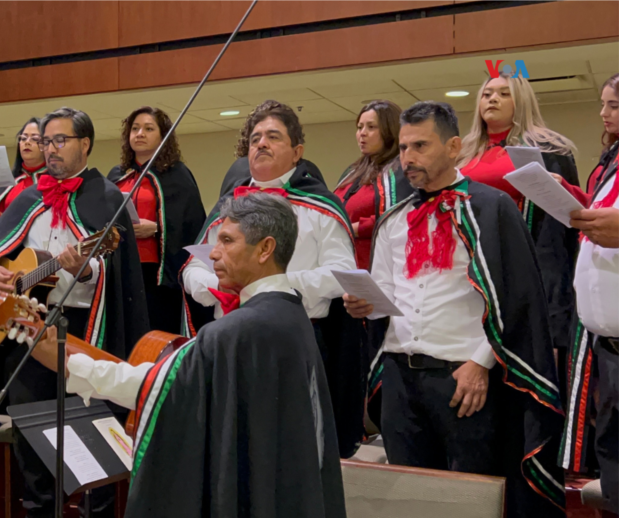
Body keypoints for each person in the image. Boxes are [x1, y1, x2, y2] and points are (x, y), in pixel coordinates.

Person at [30, 193, 349, 518]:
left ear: (266, 248)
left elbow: (154, 387)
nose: (212, 254)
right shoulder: (289, 313)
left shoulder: (239, 331)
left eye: (227, 241)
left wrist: (67, 362)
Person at [344, 101, 566, 518]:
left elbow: (517, 297)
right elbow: (387, 292)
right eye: (404, 147)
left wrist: (481, 363)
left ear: (452, 146)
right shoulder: (393, 219)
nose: (407, 157)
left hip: (463, 377)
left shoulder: (492, 207)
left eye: (420, 146)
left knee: (467, 502)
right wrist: (366, 304)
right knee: (407, 500)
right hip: (400, 375)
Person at [0, 107, 148, 518]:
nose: (50, 148)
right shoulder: (28, 196)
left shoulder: (108, 197)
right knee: (28, 420)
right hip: (29, 323)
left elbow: (119, 275)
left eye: (60, 140)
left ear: (85, 144)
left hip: (87, 326)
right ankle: (41, 516)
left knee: (92, 421)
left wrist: (86, 271)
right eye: (46, 141)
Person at [182, 100, 363, 457]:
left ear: (297, 152)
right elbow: (193, 266)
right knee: (228, 444)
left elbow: (341, 273)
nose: (260, 144)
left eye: (273, 137)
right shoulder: (227, 207)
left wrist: (271, 290)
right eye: (255, 138)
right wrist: (214, 287)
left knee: (290, 451)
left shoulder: (321, 207)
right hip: (228, 336)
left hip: (294, 340)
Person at [457, 75, 582, 362]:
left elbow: (560, 229)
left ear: (521, 101)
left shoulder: (548, 149)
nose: (492, 99)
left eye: (504, 93)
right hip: (470, 266)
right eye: (487, 93)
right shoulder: (462, 153)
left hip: (525, 263)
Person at [560, 72, 619, 504]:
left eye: (614, 105)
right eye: (603, 104)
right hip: (607, 345)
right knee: (613, 461)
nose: (604, 113)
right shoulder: (611, 162)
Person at [106, 106, 206, 333]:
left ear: (163, 136)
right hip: (122, 269)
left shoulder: (177, 175)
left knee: (156, 333)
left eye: (148, 128)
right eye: (135, 128)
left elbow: (191, 222)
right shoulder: (116, 175)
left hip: (158, 276)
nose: (140, 133)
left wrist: (159, 228)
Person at [333, 100, 402, 270]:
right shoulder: (353, 172)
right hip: (343, 262)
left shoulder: (400, 171)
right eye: (359, 127)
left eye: (371, 127)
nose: (362, 133)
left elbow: (397, 217)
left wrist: (354, 229)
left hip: (375, 267)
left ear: (390, 131)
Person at [0, 118, 48, 229]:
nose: (27, 142)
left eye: (35, 138)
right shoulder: (8, 184)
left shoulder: (57, 181)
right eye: (23, 138)